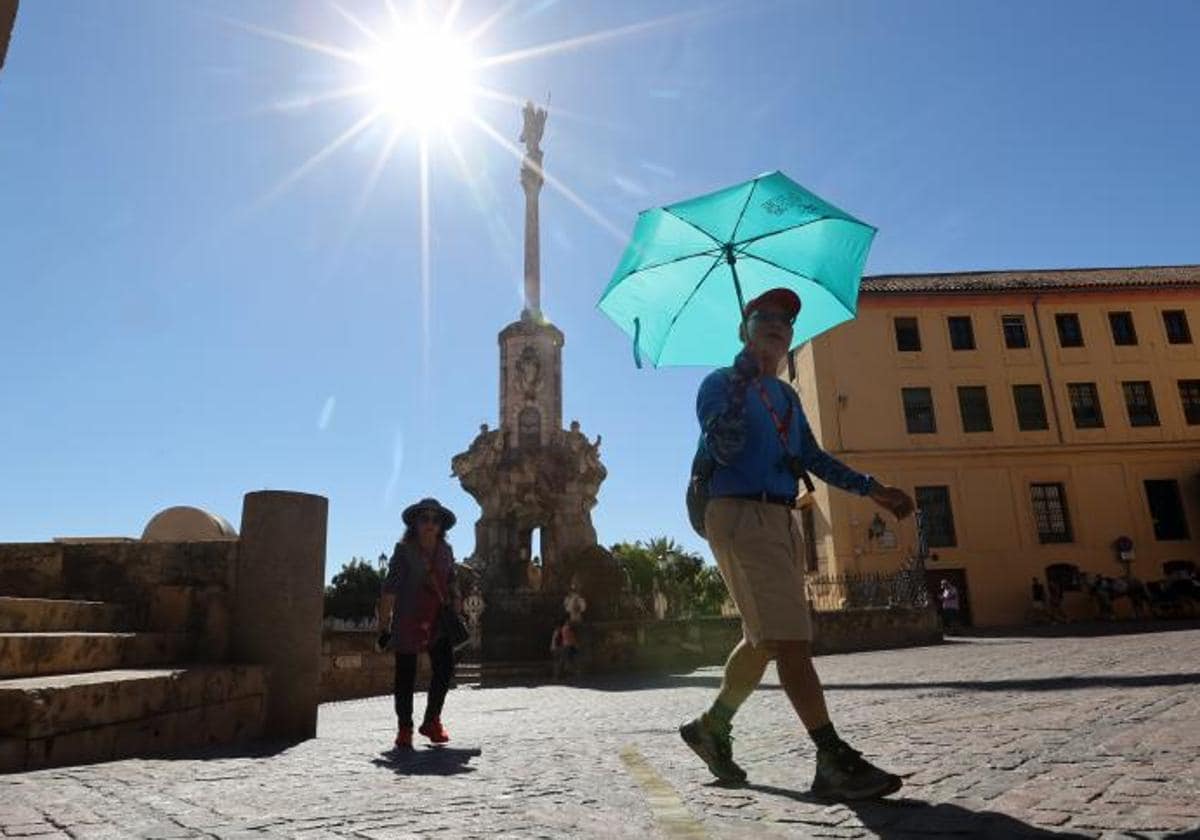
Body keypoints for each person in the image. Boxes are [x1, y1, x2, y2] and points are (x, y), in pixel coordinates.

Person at [680, 287, 915, 801]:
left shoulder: (787, 397)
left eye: (786, 323)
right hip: (739, 512)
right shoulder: (718, 384)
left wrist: (873, 490)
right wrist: (743, 383)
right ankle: (831, 757)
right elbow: (723, 445)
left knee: (765, 638)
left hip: (780, 516)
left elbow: (813, 456)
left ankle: (709, 727)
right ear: (744, 331)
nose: (777, 326)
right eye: (764, 317)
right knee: (790, 641)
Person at [377, 497, 460, 750]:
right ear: (415, 522)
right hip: (408, 619)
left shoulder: (446, 551)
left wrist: (457, 603)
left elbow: (452, 580)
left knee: (444, 669)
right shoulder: (404, 551)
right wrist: (384, 626)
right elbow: (389, 590)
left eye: (436, 519)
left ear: (441, 525)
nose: (430, 524)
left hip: (438, 620)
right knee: (405, 676)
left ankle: (431, 720)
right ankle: (405, 728)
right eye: (424, 518)